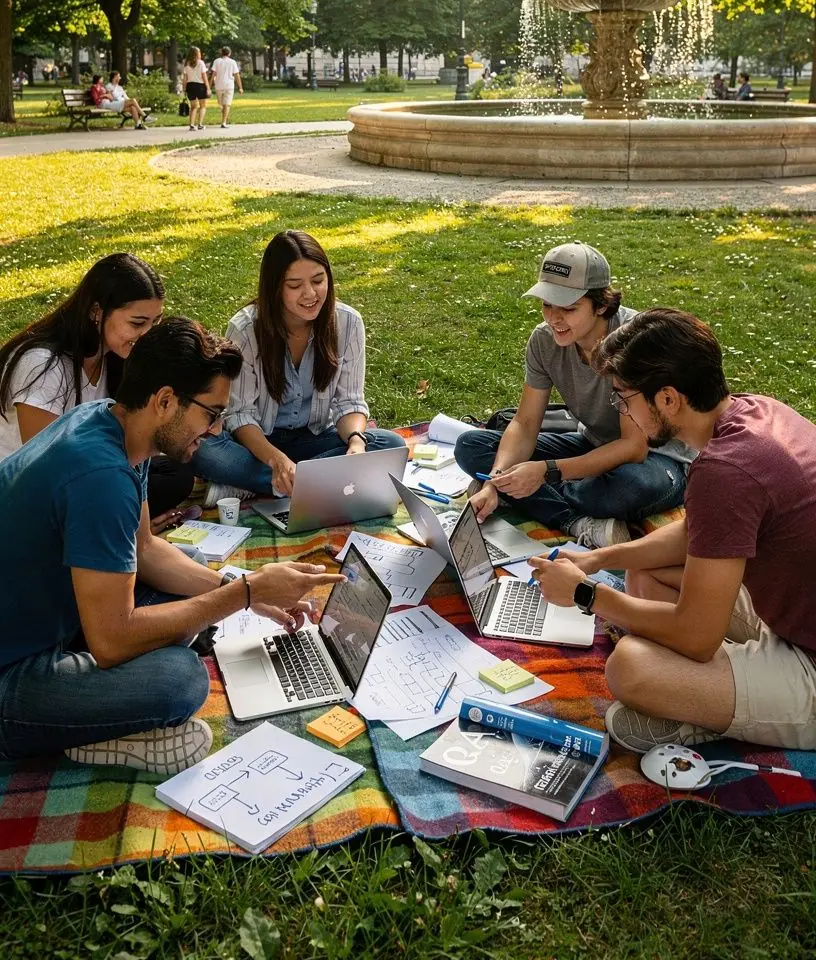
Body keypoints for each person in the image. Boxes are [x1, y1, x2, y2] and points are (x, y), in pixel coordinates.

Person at [0, 317, 343, 773]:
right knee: (180, 680)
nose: (218, 431)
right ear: (165, 401)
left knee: (190, 588)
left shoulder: (113, 424)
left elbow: (143, 548)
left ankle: (97, 719)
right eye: (212, 414)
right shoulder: (100, 477)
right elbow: (111, 641)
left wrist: (237, 589)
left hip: (49, 618)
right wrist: (242, 594)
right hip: (12, 671)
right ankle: (76, 733)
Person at [531, 308, 816, 755]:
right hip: (793, 612)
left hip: (809, 662)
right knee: (646, 577)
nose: (620, 409)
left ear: (667, 399)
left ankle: (712, 711)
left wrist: (586, 594)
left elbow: (697, 640)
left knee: (630, 667)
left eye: (624, 397)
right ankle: (718, 693)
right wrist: (600, 559)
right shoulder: (755, 412)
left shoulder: (725, 471)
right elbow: (702, 534)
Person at [455, 243, 690, 550]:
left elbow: (634, 448)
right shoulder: (543, 340)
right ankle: (573, 521)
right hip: (591, 442)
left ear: (601, 305)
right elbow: (525, 423)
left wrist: (546, 472)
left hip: (657, 458)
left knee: (625, 489)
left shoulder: (634, 340)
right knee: (472, 446)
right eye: (547, 305)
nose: (554, 318)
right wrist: (495, 480)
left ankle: (528, 496)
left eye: (568, 308)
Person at [195, 229, 405, 507]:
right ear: (274, 287)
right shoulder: (245, 329)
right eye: (294, 285)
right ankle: (315, 481)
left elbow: (349, 403)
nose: (310, 294)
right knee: (205, 451)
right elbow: (240, 414)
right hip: (256, 444)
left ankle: (261, 485)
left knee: (390, 444)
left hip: (313, 438)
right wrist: (277, 460)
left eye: (318, 280)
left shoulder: (348, 322)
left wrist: (356, 443)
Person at [0, 253, 164, 464]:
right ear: (96, 311)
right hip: (26, 485)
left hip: (84, 465)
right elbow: (44, 464)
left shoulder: (115, 357)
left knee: (173, 472)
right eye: (137, 323)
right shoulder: (42, 364)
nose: (148, 335)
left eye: (155, 322)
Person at [209, 45, 243, 128]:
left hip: (219, 85)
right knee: (226, 105)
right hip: (229, 85)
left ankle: (224, 120)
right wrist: (240, 87)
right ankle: (224, 121)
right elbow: (236, 75)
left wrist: (209, 86)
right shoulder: (233, 62)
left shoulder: (217, 61)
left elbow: (213, 74)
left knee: (221, 105)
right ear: (230, 53)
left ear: (221, 53)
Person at [182, 45, 210, 131]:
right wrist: (208, 87)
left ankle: (191, 125)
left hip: (190, 86)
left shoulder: (186, 63)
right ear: (197, 53)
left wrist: (184, 88)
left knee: (193, 107)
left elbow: (185, 78)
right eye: (199, 52)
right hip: (200, 86)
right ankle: (200, 124)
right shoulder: (200, 63)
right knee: (202, 106)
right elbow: (204, 76)